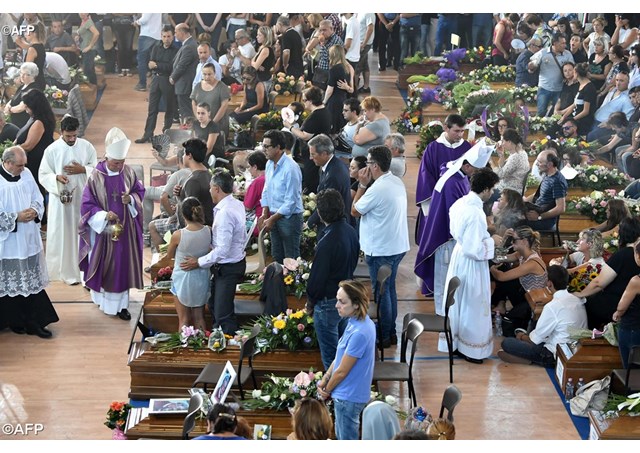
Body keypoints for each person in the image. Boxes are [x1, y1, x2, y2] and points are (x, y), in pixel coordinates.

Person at [415, 140, 493, 313]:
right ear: (466, 166)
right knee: (445, 285)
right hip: (445, 240)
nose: (475, 175)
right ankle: (445, 321)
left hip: (451, 241)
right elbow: (457, 219)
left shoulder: (457, 176)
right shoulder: (452, 183)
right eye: (475, 170)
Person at [79, 127, 145, 321]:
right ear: (107, 157)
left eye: (122, 162)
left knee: (122, 266)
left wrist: (131, 200)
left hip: (126, 231)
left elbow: (140, 191)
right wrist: (102, 215)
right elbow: (86, 205)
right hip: (103, 233)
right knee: (107, 266)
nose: (119, 166)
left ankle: (122, 305)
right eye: (116, 162)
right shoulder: (95, 176)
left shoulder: (128, 172)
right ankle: (103, 300)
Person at [352, 146, 410, 347]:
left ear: (375, 166)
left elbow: (355, 210)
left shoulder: (377, 189)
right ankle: (391, 333)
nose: (366, 167)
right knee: (390, 290)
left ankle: (384, 336)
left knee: (382, 293)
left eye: (368, 163)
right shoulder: (395, 181)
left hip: (381, 250)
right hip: (396, 246)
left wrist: (361, 185)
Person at [442, 168, 499, 363]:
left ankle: (458, 344)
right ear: (484, 189)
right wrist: (493, 241)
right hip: (472, 264)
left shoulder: (461, 203)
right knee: (473, 303)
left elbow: (455, 231)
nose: (492, 193)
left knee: (460, 301)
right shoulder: (475, 213)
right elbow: (475, 249)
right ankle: (471, 350)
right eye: (491, 189)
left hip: (459, 256)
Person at [0, 146, 57, 338]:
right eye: (19, 165)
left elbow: (37, 196)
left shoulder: (26, 173)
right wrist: (15, 217)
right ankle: (14, 321)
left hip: (29, 237)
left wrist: (34, 210)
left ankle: (33, 322)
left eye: (24, 165)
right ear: (7, 163)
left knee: (30, 280)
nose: (23, 169)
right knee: (12, 282)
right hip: (8, 242)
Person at [180, 170, 247, 334]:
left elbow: (223, 250)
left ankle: (228, 348)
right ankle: (221, 341)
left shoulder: (224, 213)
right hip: (233, 263)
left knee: (223, 314)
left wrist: (198, 261)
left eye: (210, 188)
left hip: (228, 267)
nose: (209, 191)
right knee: (215, 306)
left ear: (217, 188)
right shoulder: (236, 204)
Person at [38, 115, 97, 285]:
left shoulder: (87, 147)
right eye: (68, 136)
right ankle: (62, 270)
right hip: (61, 200)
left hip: (82, 198)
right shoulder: (52, 149)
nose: (71, 139)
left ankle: (83, 268)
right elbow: (43, 174)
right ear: (61, 132)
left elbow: (97, 170)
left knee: (81, 231)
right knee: (62, 232)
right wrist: (56, 177)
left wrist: (83, 169)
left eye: (74, 136)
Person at [306, 189, 359, 369]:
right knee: (344, 354)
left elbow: (317, 279)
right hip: (347, 298)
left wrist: (311, 302)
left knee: (331, 358)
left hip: (329, 303)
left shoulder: (327, 241)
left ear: (320, 213)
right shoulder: (350, 231)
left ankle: (334, 395)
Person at [317, 279, 375, 440]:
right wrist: (325, 378)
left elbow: (342, 371)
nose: (336, 305)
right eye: (337, 299)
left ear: (356, 304)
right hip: (346, 394)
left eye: (342, 302)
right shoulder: (354, 322)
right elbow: (339, 357)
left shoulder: (360, 333)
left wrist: (326, 390)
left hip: (348, 397)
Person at [498, 265, 588, 366]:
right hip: (576, 349)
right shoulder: (576, 299)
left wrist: (521, 336)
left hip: (554, 353)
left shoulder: (553, 306)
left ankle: (538, 361)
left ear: (549, 283)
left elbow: (534, 340)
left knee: (507, 343)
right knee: (536, 327)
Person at [415, 114, 471, 246]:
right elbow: (425, 176)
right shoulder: (433, 148)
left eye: (462, 131)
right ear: (446, 128)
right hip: (438, 201)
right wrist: (430, 206)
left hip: (461, 201)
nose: (460, 135)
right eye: (456, 131)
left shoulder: (466, 148)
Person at [574, 217, 640, 329]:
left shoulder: (622, 255)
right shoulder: (635, 253)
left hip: (615, 304)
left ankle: (587, 339)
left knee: (586, 304)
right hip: (633, 306)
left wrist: (578, 293)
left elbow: (599, 282)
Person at [258, 130, 304, 263]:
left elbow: (291, 201)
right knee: (276, 255)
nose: (263, 150)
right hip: (274, 215)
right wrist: (265, 212)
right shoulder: (269, 164)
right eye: (263, 146)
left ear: (278, 147)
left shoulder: (291, 168)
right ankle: (277, 283)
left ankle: (291, 284)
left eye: (267, 146)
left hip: (290, 218)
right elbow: (267, 190)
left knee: (291, 258)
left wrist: (272, 218)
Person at [166, 197, 211, 331]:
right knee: (199, 317)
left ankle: (184, 348)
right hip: (201, 278)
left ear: (183, 214)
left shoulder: (178, 235)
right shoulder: (208, 230)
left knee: (184, 319)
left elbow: (169, 255)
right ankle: (202, 348)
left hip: (183, 279)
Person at [490, 226, 548, 330]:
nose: (512, 243)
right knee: (504, 269)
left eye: (514, 241)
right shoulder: (520, 254)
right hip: (524, 293)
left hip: (533, 301)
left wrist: (492, 269)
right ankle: (501, 305)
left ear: (524, 241)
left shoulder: (532, 263)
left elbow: (501, 277)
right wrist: (504, 241)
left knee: (508, 325)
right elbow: (497, 258)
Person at [134, 25, 178, 144]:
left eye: (169, 36)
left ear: (173, 36)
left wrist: (158, 65)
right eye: (164, 36)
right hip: (155, 80)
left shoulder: (176, 50)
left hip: (167, 80)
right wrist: (157, 65)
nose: (166, 39)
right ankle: (147, 134)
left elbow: (171, 67)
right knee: (152, 109)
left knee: (169, 109)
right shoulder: (156, 47)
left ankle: (166, 134)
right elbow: (150, 63)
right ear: (161, 36)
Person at [283, 86, 331, 194]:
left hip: (314, 153)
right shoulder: (323, 110)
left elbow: (305, 136)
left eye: (304, 100)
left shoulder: (317, 115)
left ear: (311, 101)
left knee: (310, 179)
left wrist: (290, 126)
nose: (304, 103)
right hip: (315, 150)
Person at [306, 134, 352, 235]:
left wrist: (309, 223)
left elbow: (326, 205)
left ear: (324, 154)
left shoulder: (333, 175)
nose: (310, 158)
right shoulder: (332, 165)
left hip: (335, 228)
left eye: (313, 154)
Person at [14, 89, 55, 195]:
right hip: (31, 161)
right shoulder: (34, 118)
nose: (26, 110)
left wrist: (12, 149)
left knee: (35, 192)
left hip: (34, 163)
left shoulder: (39, 122)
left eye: (27, 107)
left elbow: (28, 145)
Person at [528, 32, 575, 117]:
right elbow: (532, 65)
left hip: (560, 89)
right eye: (562, 43)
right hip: (544, 88)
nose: (565, 45)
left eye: (565, 43)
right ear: (555, 43)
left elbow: (572, 68)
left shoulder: (568, 54)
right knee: (541, 112)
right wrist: (531, 66)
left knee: (555, 114)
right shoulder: (543, 52)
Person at [612, 241, 640, 368]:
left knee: (632, 371)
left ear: (638, 257)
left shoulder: (636, 281)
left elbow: (622, 307)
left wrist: (618, 313)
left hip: (633, 328)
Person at [523, 151, 567, 230]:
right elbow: (537, 195)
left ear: (549, 164)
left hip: (544, 220)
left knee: (513, 222)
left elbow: (561, 208)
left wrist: (539, 217)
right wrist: (523, 201)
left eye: (539, 162)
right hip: (537, 211)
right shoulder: (548, 175)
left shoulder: (557, 181)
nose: (537, 164)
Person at [190, 62, 230, 139]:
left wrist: (212, 123)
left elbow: (224, 106)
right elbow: (194, 103)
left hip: (218, 124)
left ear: (214, 73)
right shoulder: (198, 86)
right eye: (204, 74)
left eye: (209, 74)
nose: (207, 77)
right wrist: (199, 118)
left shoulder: (222, 87)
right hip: (202, 125)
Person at [171, 23, 199, 124]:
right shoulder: (189, 44)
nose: (175, 34)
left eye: (176, 32)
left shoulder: (189, 46)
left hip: (184, 85)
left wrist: (173, 77)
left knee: (187, 114)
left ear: (182, 32)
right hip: (184, 84)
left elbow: (182, 65)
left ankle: (188, 134)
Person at [324, 45, 353, 135]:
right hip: (344, 100)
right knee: (341, 127)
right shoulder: (348, 68)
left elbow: (330, 90)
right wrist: (347, 88)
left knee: (332, 127)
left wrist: (324, 101)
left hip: (334, 102)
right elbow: (352, 90)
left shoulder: (334, 69)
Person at [493, 128, 530, 195]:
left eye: (503, 141)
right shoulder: (521, 152)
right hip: (509, 187)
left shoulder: (516, 157)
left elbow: (499, 176)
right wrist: (501, 155)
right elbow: (502, 168)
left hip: (510, 192)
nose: (502, 144)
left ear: (509, 142)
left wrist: (491, 163)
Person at [4, 62, 39, 129]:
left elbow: (22, 107)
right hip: (14, 121)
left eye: (25, 74)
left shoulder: (33, 89)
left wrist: (10, 109)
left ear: (33, 76)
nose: (22, 76)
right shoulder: (22, 86)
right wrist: (8, 105)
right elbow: (13, 99)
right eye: (21, 73)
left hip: (23, 124)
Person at [134, 13, 162, 92]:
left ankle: (142, 84)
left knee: (142, 60)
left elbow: (145, 19)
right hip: (157, 35)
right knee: (155, 60)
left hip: (147, 34)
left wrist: (136, 22)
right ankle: (155, 84)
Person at [243, 150, 266, 233]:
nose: (248, 170)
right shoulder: (271, 176)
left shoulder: (258, 181)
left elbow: (247, 207)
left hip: (259, 223)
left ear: (255, 167)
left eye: (249, 167)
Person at [75, 13, 99, 85]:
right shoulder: (83, 21)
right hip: (84, 49)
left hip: (89, 50)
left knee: (87, 71)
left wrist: (90, 46)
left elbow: (96, 33)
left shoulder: (88, 22)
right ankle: (94, 87)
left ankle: (92, 87)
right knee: (89, 70)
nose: (82, 13)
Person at [251, 26, 275, 92]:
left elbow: (254, 67)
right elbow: (252, 61)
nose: (257, 36)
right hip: (259, 78)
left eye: (259, 35)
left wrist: (256, 64)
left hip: (264, 80)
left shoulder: (265, 49)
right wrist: (256, 64)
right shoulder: (261, 47)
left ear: (265, 36)